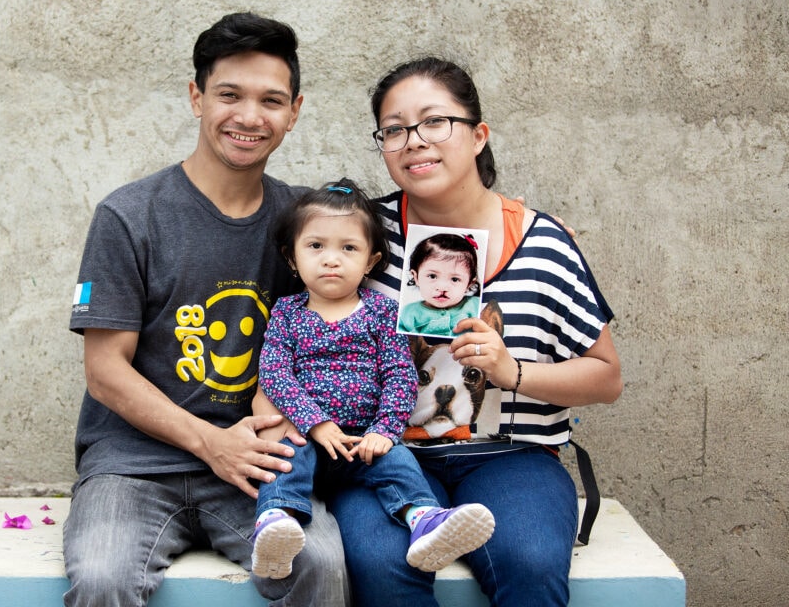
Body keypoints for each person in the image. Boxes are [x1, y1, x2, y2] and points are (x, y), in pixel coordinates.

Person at [62, 12, 348, 607]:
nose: (249, 117)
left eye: (271, 100)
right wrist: (210, 443)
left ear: (294, 112)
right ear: (197, 98)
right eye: (229, 95)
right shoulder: (129, 215)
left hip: (260, 464)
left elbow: (399, 255)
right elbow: (105, 371)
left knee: (319, 565)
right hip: (134, 463)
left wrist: (502, 219)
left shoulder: (306, 224)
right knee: (103, 579)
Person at [328, 56, 623, 607]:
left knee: (530, 563)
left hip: (513, 457)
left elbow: (606, 378)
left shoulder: (547, 242)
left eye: (435, 121)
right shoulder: (359, 234)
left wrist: (510, 371)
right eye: (394, 129)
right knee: (381, 562)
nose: (414, 140)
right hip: (385, 455)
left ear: (478, 135)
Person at [250, 179, 494, 580]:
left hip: (364, 440)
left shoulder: (381, 311)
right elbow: (275, 373)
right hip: (309, 435)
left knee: (397, 460)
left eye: (348, 248)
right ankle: (276, 522)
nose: (332, 259)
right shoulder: (288, 312)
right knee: (284, 455)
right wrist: (315, 423)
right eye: (316, 246)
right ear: (292, 259)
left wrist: (384, 429)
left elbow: (400, 374)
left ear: (370, 261)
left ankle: (424, 520)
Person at [398, 232, 481, 337]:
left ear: (469, 283)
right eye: (432, 276)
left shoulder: (476, 307)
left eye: (455, 279)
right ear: (416, 277)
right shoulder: (409, 314)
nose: (442, 287)